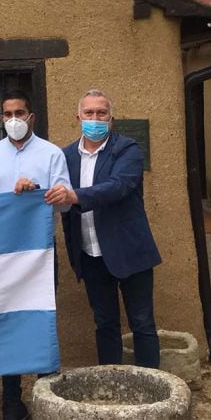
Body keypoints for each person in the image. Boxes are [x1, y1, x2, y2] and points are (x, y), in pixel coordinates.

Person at [0, 89, 72, 420]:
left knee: (41, 320)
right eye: (7, 113)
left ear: (32, 117)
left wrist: (38, 191)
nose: (14, 119)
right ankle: (12, 404)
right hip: (2, 256)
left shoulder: (51, 153)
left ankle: (45, 397)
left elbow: (65, 203)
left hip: (40, 255)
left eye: (20, 113)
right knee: (7, 325)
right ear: (1, 119)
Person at [57, 89, 162, 368]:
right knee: (105, 324)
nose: (95, 118)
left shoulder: (127, 149)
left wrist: (75, 196)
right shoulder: (65, 156)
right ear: (78, 117)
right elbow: (52, 190)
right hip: (90, 254)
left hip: (130, 252)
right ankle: (110, 382)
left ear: (111, 119)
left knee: (142, 323)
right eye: (89, 113)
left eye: (101, 113)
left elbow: (118, 186)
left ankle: (151, 388)